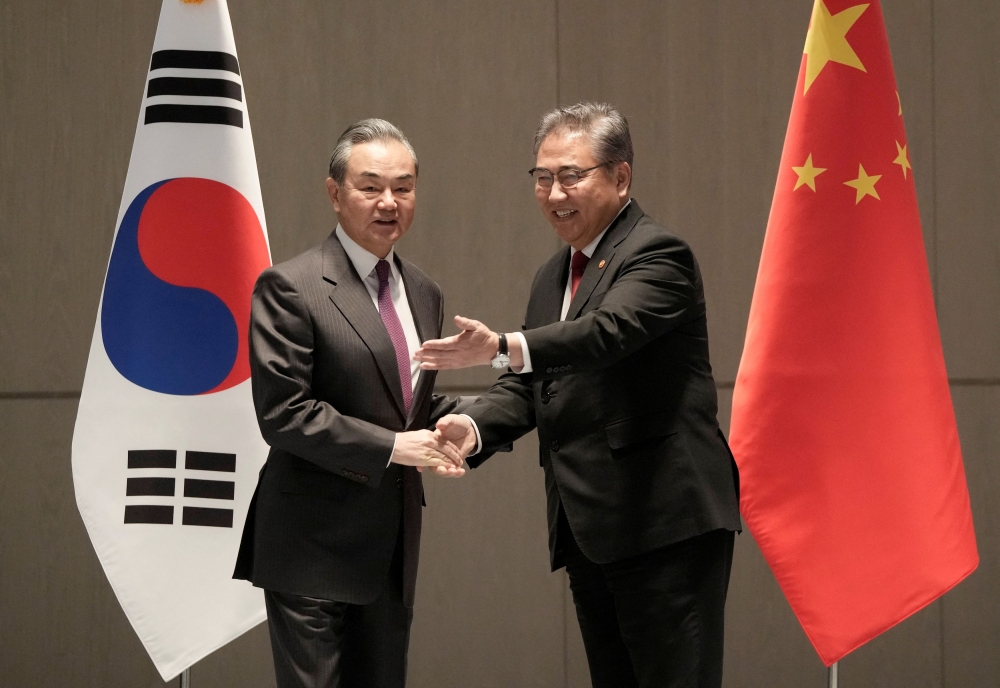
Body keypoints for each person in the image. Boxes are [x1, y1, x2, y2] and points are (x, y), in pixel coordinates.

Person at [415, 102, 741, 688]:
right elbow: (534, 379)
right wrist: (476, 426)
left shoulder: (657, 254)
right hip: (589, 527)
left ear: (621, 177)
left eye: (571, 175)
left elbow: (604, 335)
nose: (554, 193)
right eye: (542, 177)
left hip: (663, 524)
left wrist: (501, 345)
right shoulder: (554, 274)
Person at [234, 118, 465, 688]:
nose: (389, 202)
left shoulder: (425, 292)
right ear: (335, 193)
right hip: (310, 548)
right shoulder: (291, 286)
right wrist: (394, 447)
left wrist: (465, 420)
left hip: (390, 549)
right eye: (371, 187)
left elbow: (407, 401)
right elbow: (285, 413)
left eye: (404, 187)